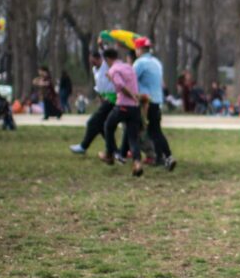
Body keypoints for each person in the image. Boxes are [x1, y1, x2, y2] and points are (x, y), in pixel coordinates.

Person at [99, 48, 145, 177]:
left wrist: (131, 95)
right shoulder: (128, 66)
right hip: (135, 108)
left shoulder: (113, 69)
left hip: (124, 105)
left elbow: (121, 86)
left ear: (107, 59)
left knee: (108, 125)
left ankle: (110, 154)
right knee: (132, 137)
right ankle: (137, 163)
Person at [133, 37, 176, 170]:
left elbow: (131, 80)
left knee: (136, 129)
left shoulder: (139, 63)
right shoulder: (157, 62)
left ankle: (127, 155)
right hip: (157, 101)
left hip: (145, 102)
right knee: (155, 131)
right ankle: (162, 157)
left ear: (139, 49)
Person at [70, 51, 117, 155]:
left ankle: (83, 146)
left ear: (99, 58)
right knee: (102, 126)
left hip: (111, 99)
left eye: (92, 60)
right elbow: (99, 85)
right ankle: (114, 150)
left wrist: (101, 42)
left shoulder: (106, 65)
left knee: (92, 122)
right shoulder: (94, 69)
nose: (91, 62)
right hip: (104, 99)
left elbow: (104, 51)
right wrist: (99, 97)